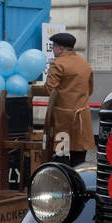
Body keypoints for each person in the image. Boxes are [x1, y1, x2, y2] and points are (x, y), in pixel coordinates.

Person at [42, 32, 94, 165]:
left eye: (53, 47)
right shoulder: (84, 64)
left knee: (61, 159)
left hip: (63, 122)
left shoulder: (58, 64)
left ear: (60, 48)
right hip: (83, 120)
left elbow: (49, 89)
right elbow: (90, 90)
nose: (52, 50)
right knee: (79, 161)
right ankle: (79, 185)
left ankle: (64, 185)